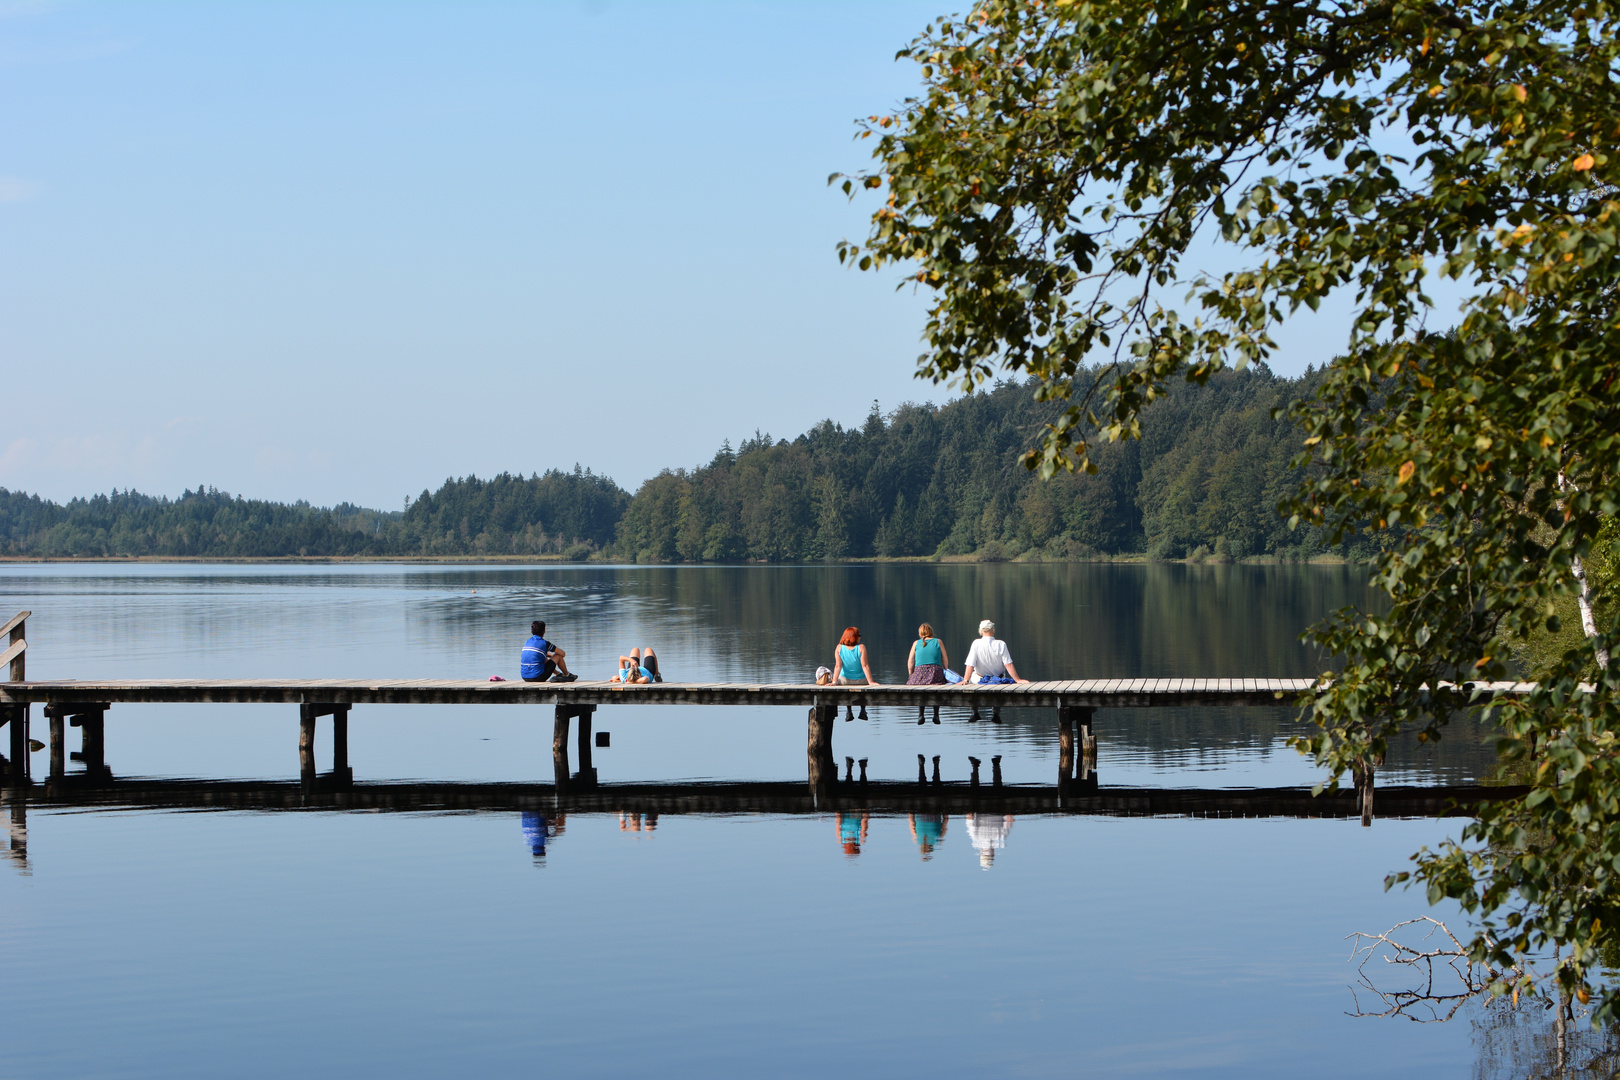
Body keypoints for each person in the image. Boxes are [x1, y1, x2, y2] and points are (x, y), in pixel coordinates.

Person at [906, 622, 949, 724]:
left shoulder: (916, 643)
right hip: (935, 672)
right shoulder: (938, 641)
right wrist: (945, 670)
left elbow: (910, 663)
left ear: (920, 633)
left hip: (919, 673)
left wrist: (911, 675)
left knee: (920, 689)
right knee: (937, 687)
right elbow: (945, 661)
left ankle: (921, 714)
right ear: (931, 632)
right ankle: (936, 714)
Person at [832, 626, 877, 721]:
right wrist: (871, 682)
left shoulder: (839, 648)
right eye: (859, 635)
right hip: (861, 680)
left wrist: (834, 681)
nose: (860, 637)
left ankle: (849, 711)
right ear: (854, 637)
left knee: (846, 687)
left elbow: (838, 666)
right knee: (864, 688)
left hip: (845, 680)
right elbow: (865, 666)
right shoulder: (861, 647)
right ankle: (863, 710)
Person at [961, 620, 1026, 685]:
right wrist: (1017, 680)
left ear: (981, 631)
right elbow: (1008, 664)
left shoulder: (976, 643)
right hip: (999, 679)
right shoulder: (1001, 644)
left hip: (979, 680)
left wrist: (966, 680)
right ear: (993, 630)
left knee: (974, 674)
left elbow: (970, 664)